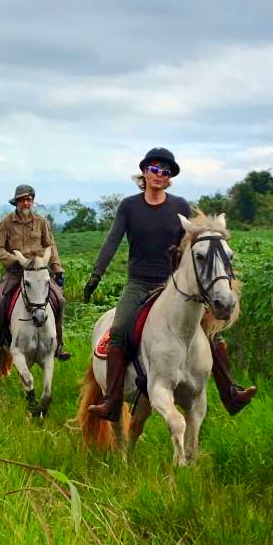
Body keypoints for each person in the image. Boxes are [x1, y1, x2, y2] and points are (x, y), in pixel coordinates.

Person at [84, 147, 256, 422]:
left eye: (166, 172)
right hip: (139, 283)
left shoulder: (179, 206)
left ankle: (230, 393)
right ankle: (112, 401)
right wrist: (95, 276)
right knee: (119, 330)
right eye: (154, 169)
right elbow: (111, 242)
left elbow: (192, 243)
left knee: (213, 333)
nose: (160, 175)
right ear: (144, 172)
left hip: (173, 285)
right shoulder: (129, 206)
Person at [0, 183, 70, 363]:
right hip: (15, 271)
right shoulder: (6, 223)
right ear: (16, 202)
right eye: (22, 200)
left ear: (32, 201)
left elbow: (50, 245)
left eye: (29, 199)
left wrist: (57, 268)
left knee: (60, 299)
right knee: (0, 301)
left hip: (38, 271)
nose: (26, 203)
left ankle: (59, 344)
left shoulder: (41, 222)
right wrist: (14, 260)